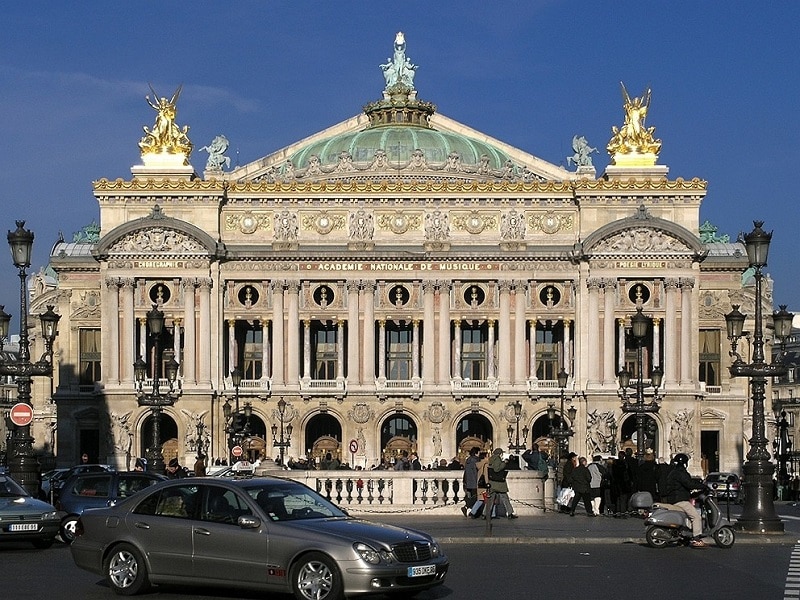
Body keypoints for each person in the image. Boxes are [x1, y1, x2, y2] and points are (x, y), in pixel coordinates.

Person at [663, 453, 706, 548]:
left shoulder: (672, 472)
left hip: (672, 498)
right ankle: (696, 539)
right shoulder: (681, 473)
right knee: (696, 517)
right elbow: (689, 484)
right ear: (685, 463)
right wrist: (703, 486)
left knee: (685, 518)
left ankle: (684, 539)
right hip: (680, 499)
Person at [487, 448, 518, 519]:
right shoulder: (497, 459)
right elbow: (497, 469)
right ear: (499, 453)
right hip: (499, 483)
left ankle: (485, 514)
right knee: (505, 498)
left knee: (490, 499)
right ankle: (510, 513)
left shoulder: (491, 459)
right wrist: (504, 463)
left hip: (492, 482)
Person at [462, 447, 480, 517]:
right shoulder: (475, 460)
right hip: (474, 482)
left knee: (471, 496)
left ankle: (473, 511)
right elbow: (476, 472)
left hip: (468, 481)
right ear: (476, 452)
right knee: (476, 497)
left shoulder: (468, 460)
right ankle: (467, 507)